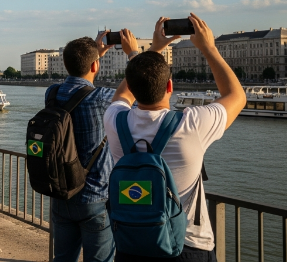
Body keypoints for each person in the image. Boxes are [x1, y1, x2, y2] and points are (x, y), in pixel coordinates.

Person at [105, 15, 246, 262]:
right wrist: (208, 47)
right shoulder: (191, 124)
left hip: (130, 243)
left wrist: (151, 50)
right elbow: (236, 95)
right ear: (170, 87)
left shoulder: (115, 120)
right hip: (186, 245)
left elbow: (122, 95)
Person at [43, 30, 144, 262]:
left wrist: (94, 55)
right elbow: (141, 95)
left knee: (62, 258)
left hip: (60, 194)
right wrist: (134, 54)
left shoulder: (52, 93)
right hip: (94, 197)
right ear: (95, 66)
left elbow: (79, 80)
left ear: (66, 64)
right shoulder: (102, 98)